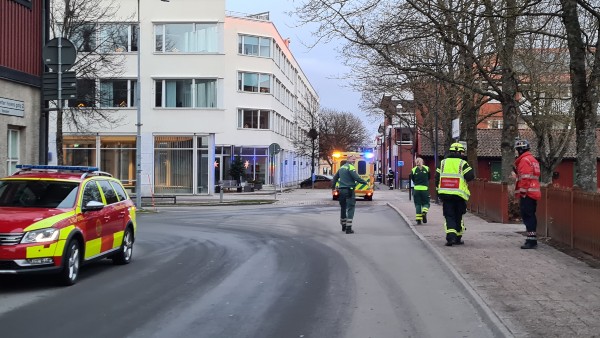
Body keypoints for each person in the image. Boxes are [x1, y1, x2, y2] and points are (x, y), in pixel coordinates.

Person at [436, 143, 475, 246]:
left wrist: (438, 191)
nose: (463, 154)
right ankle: (457, 238)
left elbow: (436, 177)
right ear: (459, 152)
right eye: (462, 152)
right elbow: (470, 176)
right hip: (459, 195)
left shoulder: (442, 163)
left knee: (449, 216)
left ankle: (450, 238)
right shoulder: (463, 163)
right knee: (458, 215)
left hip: (445, 194)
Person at [513, 139, 541, 249]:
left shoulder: (524, 160)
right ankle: (532, 238)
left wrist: (522, 192)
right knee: (531, 215)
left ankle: (531, 240)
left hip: (528, 193)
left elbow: (525, 178)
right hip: (534, 191)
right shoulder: (533, 160)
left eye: (517, 150)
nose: (516, 152)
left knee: (527, 215)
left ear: (520, 150)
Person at [332, 155, 369, 234]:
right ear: (348, 159)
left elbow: (335, 178)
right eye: (353, 159)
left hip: (341, 190)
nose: (354, 161)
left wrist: (333, 188)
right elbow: (356, 178)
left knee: (343, 207)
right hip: (349, 190)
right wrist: (365, 183)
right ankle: (348, 228)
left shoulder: (341, 168)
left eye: (355, 159)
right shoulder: (351, 167)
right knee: (351, 208)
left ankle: (343, 225)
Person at [409, 157, 430, 224]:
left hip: (416, 189)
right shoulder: (427, 168)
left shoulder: (413, 170)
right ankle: (424, 212)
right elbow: (429, 177)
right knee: (426, 203)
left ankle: (418, 220)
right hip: (425, 189)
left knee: (418, 204)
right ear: (422, 162)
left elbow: (412, 178)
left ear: (416, 162)